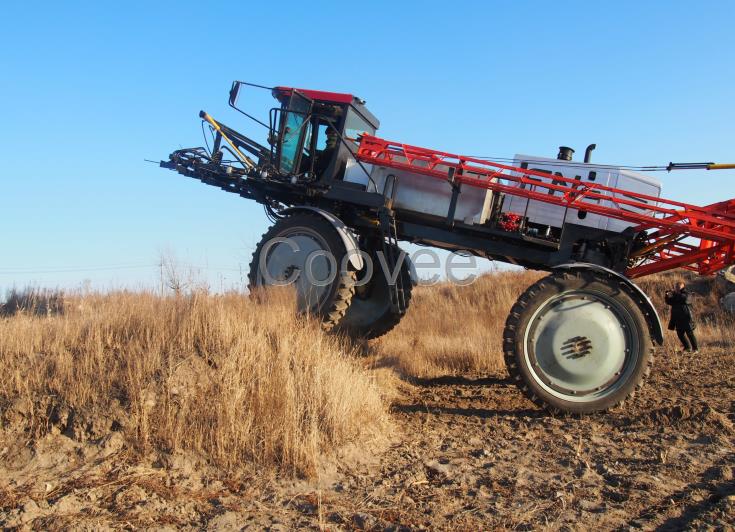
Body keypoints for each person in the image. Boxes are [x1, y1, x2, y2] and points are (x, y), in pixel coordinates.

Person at [665, 281, 699, 353]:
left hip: (686, 317)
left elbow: (685, 299)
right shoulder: (675, 295)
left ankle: (695, 348)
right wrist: (667, 295)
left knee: (689, 333)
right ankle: (687, 347)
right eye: (676, 286)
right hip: (677, 318)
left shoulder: (687, 293)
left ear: (683, 286)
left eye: (678, 286)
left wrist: (675, 293)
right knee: (680, 334)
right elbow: (669, 302)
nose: (676, 288)